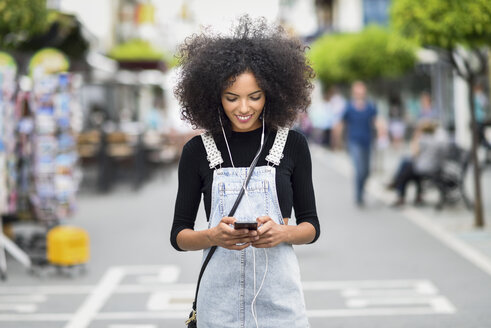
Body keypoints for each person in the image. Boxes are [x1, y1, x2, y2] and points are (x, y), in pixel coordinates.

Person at [171, 16, 320, 328]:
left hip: (280, 301)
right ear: (214, 96)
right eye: (231, 97)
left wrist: (283, 232)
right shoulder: (197, 151)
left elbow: (311, 226)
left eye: (255, 97)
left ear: (272, 93)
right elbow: (179, 237)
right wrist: (213, 236)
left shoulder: (292, 145)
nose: (243, 108)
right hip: (218, 302)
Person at [387, 121, 448, 206]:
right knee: (407, 165)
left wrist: (416, 136)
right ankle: (408, 192)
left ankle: (398, 190)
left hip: (427, 168)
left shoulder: (424, 140)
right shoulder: (435, 139)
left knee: (405, 169)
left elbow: (414, 153)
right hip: (434, 167)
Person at [338, 81, 378, 206]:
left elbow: (376, 121)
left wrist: (382, 132)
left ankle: (361, 190)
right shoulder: (349, 107)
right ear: (354, 93)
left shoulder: (370, 106)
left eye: (362, 91)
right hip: (353, 142)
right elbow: (341, 124)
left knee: (367, 171)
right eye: (357, 91)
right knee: (359, 170)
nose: (360, 93)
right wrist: (338, 140)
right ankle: (359, 195)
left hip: (367, 141)